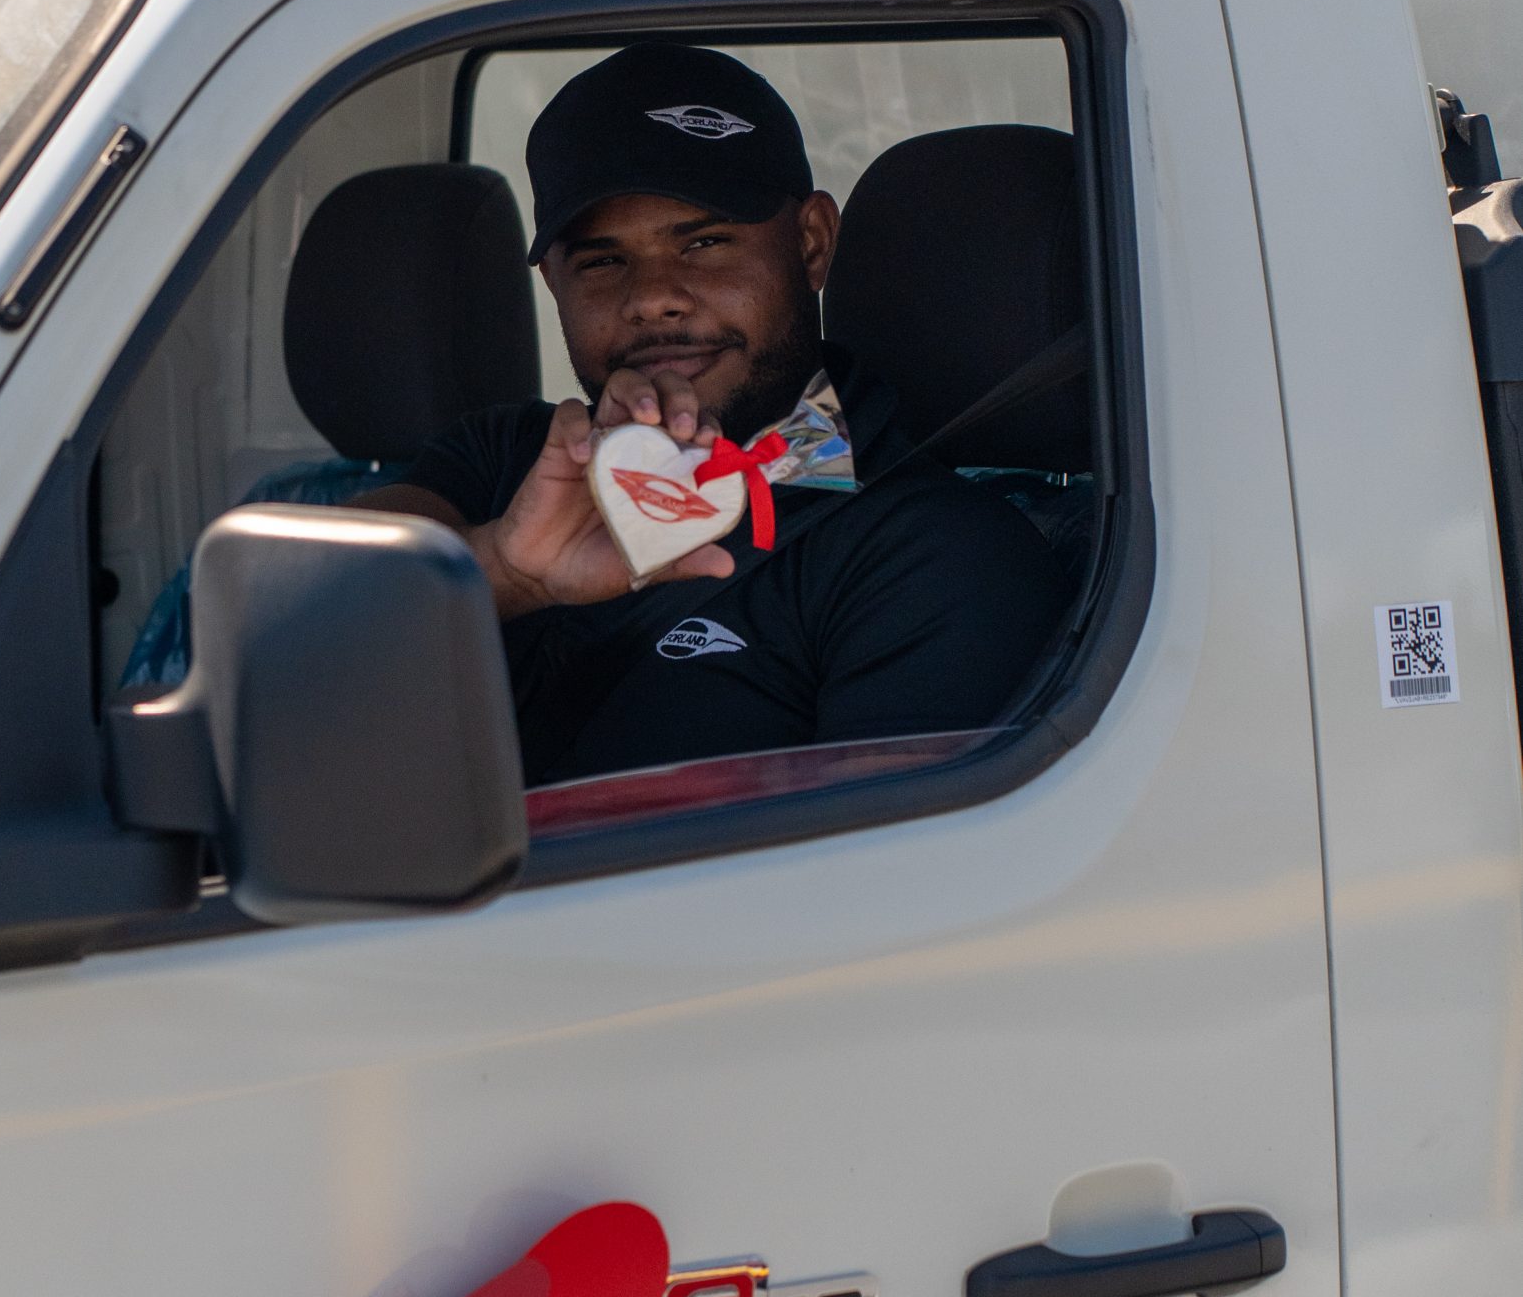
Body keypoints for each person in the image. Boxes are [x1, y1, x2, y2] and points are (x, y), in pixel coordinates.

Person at [366, 42, 1070, 787]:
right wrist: (507, 572)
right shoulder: (507, 458)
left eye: (704, 243)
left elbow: (882, 886)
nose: (652, 298)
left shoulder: (938, 556)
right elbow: (291, 626)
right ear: (552, 284)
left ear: (810, 244)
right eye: (603, 262)